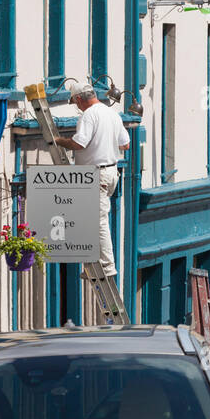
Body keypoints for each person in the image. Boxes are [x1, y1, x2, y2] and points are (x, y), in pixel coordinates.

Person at [54, 84, 129, 278]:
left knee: (98, 221)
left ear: (79, 99)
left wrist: (60, 141)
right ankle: (94, 261)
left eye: (74, 102)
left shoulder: (88, 115)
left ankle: (106, 267)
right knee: (93, 217)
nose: (76, 107)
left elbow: (79, 143)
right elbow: (125, 144)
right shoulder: (112, 114)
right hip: (111, 172)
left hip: (97, 174)